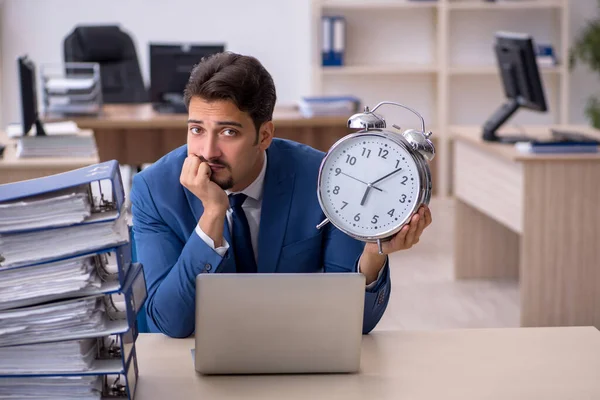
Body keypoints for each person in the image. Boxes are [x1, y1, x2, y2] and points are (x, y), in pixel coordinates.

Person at [130, 52, 432, 338]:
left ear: (264, 135)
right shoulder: (155, 190)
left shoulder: (325, 179)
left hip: (298, 356)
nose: (208, 151)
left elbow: (355, 322)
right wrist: (212, 216)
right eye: (197, 130)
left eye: (228, 132)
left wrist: (373, 253)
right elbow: (167, 322)